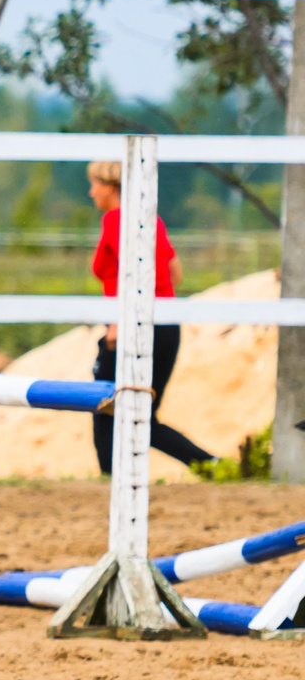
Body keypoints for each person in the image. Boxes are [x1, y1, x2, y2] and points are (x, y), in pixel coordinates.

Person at [86, 160, 212, 474]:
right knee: (142, 415)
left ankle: (109, 479)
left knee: (106, 407)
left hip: (133, 327)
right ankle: (211, 465)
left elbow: (130, 274)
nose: (91, 192)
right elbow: (175, 274)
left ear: (111, 186)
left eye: (95, 185)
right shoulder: (150, 219)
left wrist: (117, 326)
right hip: (167, 325)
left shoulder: (115, 219)